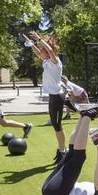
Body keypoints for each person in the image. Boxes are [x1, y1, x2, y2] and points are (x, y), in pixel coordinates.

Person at [24, 31, 66, 162]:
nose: (41, 52)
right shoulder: (47, 61)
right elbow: (38, 53)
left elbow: (49, 50)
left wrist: (39, 39)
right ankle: (61, 150)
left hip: (58, 97)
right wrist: (32, 44)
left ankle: (63, 151)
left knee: (57, 125)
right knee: (55, 124)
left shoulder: (55, 61)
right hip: (53, 97)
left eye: (43, 50)